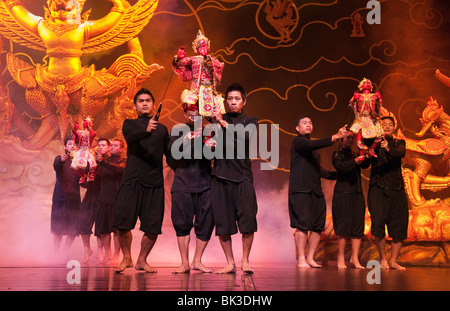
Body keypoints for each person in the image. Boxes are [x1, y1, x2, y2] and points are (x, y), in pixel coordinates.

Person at [114, 88, 169, 273]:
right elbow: (130, 139)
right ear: (135, 105)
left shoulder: (161, 129)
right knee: (122, 223)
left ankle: (142, 260)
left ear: (154, 105)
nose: (145, 103)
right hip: (132, 180)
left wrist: (187, 169)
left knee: (153, 226)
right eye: (141, 101)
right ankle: (127, 257)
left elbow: (170, 155)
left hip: (154, 182)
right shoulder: (129, 124)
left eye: (148, 100)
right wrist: (145, 130)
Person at [211, 83, 258, 274]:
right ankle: (230, 262)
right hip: (220, 175)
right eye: (229, 99)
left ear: (244, 101)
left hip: (242, 175)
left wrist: (223, 124)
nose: (233, 102)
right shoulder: (216, 120)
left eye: (237, 99)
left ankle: (245, 260)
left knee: (247, 220)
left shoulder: (250, 121)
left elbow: (245, 138)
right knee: (223, 222)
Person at [289, 116, 347, 268]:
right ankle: (301, 258)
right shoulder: (299, 142)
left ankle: (310, 258)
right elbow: (312, 144)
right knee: (302, 224)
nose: (308, 125)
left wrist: (339, 175)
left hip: (315, 191)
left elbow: (318, 170)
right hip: (301, 190)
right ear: (297, 128)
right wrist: (334, 137)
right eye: (304, 123)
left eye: (310, 122)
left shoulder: (313, 150)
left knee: (317, 226)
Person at [167, 105, 215, 273]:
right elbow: (172, 156)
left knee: (206, 223)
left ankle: (197, 260)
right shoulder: (177, 131)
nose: (194, 115)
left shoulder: (209, 131)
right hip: (183, 183)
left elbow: (216, 154)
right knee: (182, 224)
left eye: (198, 113)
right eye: (190, 112)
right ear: (184, 113)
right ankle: (184, 262)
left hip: (205, 184)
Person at [368, 116, 408, 270]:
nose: (387, 126)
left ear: (394, 127)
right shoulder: (374, 144)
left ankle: (393, 260)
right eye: (384, 124)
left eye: (390, 124)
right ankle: (383, 259)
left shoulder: (399, 143)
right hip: (378, 188)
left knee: (399, 226)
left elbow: (400, 154)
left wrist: (387, 148)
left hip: (396, 188)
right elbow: (366, 162)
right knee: (378, 224)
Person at [331, 131, 369, 269]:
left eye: (352, 138)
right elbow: (341, 167)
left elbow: (365, 165)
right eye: (348, 137)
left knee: (357, 226)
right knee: (343, 226)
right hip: (343, 193)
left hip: (357, 193)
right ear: (341, 140)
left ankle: (354, 257)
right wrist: (355, 161)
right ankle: (340, 257)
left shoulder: (355, 154)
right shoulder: (337, 154)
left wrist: (367, 154)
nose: (350, 140)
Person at [78, 138, 109, 263]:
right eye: (99, 145)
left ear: (108, 148)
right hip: (90, 196)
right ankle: (87, 249)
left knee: (101, 227)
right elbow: (84, 181)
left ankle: (100, 252)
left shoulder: (109, 162)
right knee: (83, 224)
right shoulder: (91, 161)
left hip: (103, 197)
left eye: (103, 145)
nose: (100, 147)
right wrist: (83, 179)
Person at [96, 139, 127, 264]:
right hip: (104, 198)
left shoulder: (124, 161)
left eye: (115, 145)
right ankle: (108, 253)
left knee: (116, 230)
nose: (112, 147)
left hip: (117, 199)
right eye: (112, 145)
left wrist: (102, 162)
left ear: (121, 149)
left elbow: (119, 170)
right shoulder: (105, 161)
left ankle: (116, 254)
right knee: (103, 229)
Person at [51, 137, 81, 259]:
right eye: (70, 144)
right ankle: (56, 253)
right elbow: (56, 165)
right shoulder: (60, 158)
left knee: (73, 228)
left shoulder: (81, 162)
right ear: (65, 147)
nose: (72, 146)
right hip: (60, 198)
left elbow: (83, 181)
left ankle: (65, 251)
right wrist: (62, 160)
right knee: (58, 228)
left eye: (75, 144)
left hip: (74, 199)